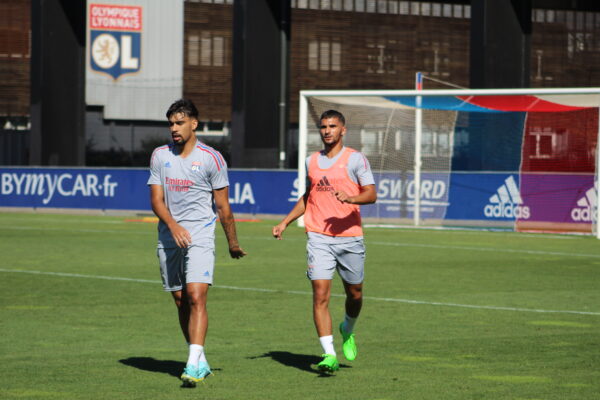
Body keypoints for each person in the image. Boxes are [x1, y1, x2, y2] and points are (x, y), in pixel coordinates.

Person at [147, 98, 246, 387]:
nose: (174, 129)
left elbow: (223, 207)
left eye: (179, 123)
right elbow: (156, 200)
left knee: (196, 296)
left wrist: (232, 243)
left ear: (194, 124)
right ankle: (200, 358)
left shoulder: (211, 158)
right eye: (171, 124)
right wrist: (173, 225)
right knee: (180, 300)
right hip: (169, 234)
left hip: (201, 234)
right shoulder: (159, 156)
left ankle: (192, 363)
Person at [272, 109, 376, 373]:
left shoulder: (355, 160)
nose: (327, 130)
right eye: (323, 126)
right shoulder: (311, 161)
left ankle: (347, 329)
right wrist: (285, 221)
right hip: (318, 236)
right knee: (320, 293)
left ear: (343, 130)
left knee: (355, 294)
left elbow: (371, 194)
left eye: (332, 126)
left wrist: (351, 198)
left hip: (350, 237)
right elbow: (309, 196)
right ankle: (328, 354)